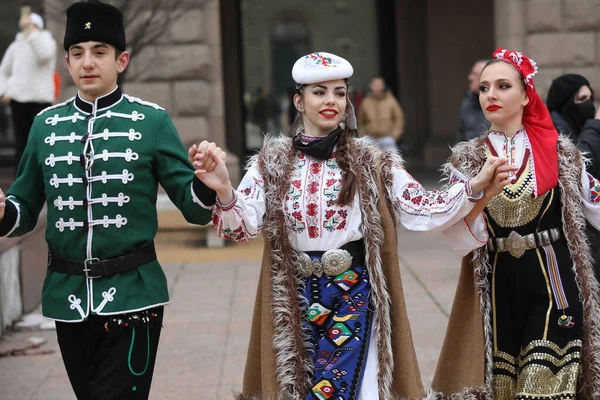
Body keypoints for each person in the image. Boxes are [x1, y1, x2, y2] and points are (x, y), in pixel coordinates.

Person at [193, 51, 510, 400]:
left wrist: (474, 185)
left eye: (340, 93)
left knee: (341, 390)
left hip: (353, 292)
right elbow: (242, 227)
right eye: (319, 92)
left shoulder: (372, 160)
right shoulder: (271, 163)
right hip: (293, 297)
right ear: (298, 100)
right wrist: (223, 188)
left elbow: (424, 209)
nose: (331, 101)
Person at [0, 1, 223, 399]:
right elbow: (24, 206)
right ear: (66, 61)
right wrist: (3, 211)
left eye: (99, 51)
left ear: (121, 60)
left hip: (134, 297)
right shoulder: (44, 126)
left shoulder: (152, 121)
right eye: (78, 52)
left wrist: (208, 183)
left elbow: (192, 208)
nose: (88, 62)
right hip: (66, 298)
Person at [432, 48, 600, 399]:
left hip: (553, 282)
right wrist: (481, 192)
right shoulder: (468, 159)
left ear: (526, 94)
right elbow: (455, 233)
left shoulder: (560, 152)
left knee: (544, 385)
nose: (490, 95)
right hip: (497, 288)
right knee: (502, 388)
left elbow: (596, 206)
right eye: (484, 87)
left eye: (503, 86)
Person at [547, 74, 600, 284]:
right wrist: (594, 126)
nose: (588, 104)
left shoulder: (577, 124)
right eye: (581, 99)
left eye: (590, 98)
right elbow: (581, 164)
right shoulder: (556, 128)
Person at [0, 10, 56, 172]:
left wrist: (32, 32)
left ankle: (45, 178)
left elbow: (44, 55)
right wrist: (4, 91)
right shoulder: (16, 46)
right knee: (21, 144)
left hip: (41, 101)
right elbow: (3, 70)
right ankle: (21, 180)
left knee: (42, 142)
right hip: (18, 100)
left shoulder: (46, 41)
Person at [357, 76, 405, 151]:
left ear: (383, 86)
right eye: (374, 85)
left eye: (379, 85)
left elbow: (398, 119)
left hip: (387, 138)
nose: (376, 88)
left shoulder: (391, 101)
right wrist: (363, 136)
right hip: (371, 139)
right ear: (371, 86)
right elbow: (360, 121)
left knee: (391, 161)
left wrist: (394, 136)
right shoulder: (365, 102)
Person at [456, 60, 491, 143]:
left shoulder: (498, 102)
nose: (470, 77)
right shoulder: (468, 102)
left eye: (474, 74)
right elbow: (461, 137)